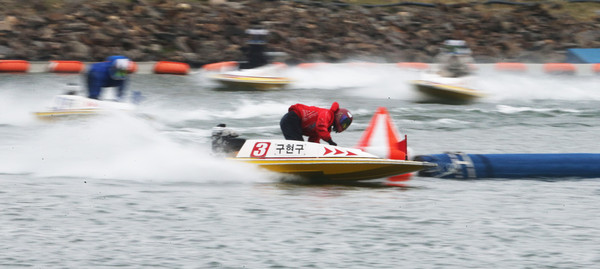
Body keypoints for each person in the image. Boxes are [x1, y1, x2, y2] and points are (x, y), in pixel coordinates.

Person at [280, 102, 353, 146]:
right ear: (339, 115)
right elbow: (320, 127)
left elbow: (313, 142)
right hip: (292, 119)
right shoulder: (327, 114)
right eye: (344, 122)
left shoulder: (326, 127)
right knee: (299, 145)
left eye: (346, 125)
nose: (344, 125)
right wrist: (330, 141)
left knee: (301, 146)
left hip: (292, 122)